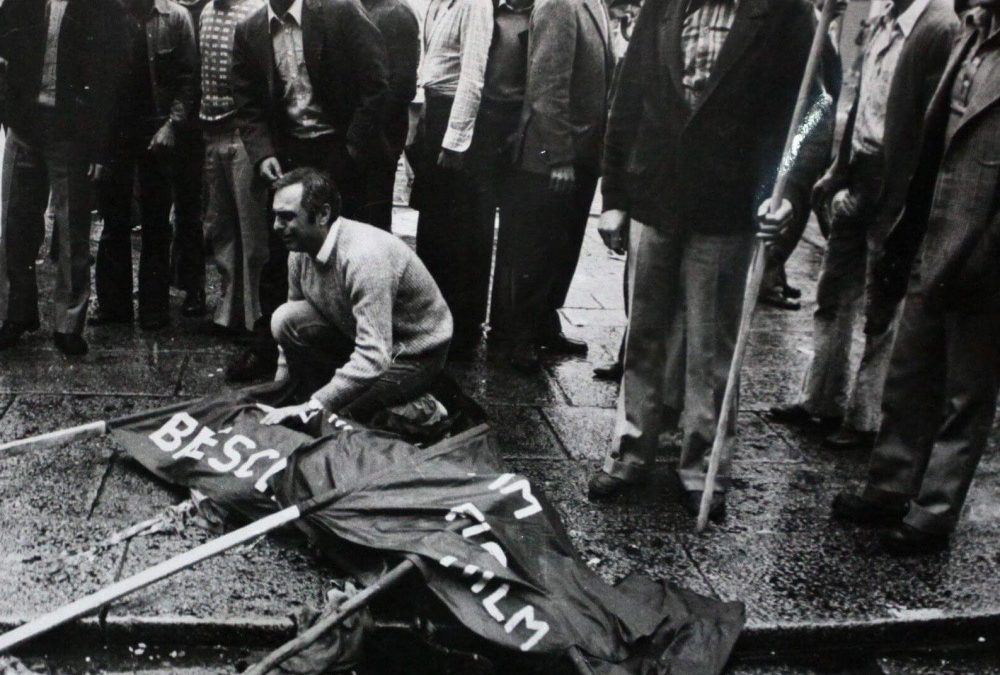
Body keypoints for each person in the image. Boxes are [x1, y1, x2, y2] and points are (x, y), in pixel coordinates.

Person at [586, 0, 821, 520]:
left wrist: (788, 188)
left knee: (711, 348)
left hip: (728, 208)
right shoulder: (663, 6)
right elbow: (627, 101)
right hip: (653, 196)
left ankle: (702, 469)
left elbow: (813, 111)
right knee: (643, 335)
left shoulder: (786, 14)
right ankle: (630, 452)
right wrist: (616, 198)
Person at [832, 0, 1000, 556]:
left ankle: (932, 514)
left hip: (984, 254)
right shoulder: (971, 33)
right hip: (931, 234)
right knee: (909, 371)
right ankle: (890, 485)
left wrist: (987, 251)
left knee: (966, 393)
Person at [770, 0, 957, 451]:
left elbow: (931, 128)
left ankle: (865, 416)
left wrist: (907, 201)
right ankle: (820, 398)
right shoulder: (883, 21)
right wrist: (837, 168)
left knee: (882, 301)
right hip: (859, 173)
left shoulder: (938, 28)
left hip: (897, 185)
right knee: (834, 290)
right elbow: (863, 103)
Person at [227, 0, 391, 381]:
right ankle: (269, 349)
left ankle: (358, 352)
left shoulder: (340, 12)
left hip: (341, 149)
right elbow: (246, 102)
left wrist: (350, 152)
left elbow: (377, 85)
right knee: (280, 254)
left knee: (348, 254)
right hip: (288, 154)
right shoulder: (250, 29)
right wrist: (262, 152)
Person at [259, 168, 453, 425]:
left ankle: (424, 408)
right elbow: (288, 326)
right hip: (363, 336)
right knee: (285, 317)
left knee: (336, 418)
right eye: (275, 216)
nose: (276, 227)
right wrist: (280, 393)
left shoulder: (365, 258)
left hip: (413, 354)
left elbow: (374, 355)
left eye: (287, 217)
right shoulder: (299, 250)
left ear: (323, 214)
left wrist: (314, 405)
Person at [0, 0, 127, 355]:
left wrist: (100, 148)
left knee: (72, 229)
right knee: (13, 222)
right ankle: (15, 312)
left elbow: (109, 81)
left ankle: (68, 323)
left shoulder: (101, 8)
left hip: (70, 132)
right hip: (24, 126)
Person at [494, 0, 613, 372]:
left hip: (581, 152)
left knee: (561, 248)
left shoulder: (592, 4)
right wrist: (558, 156)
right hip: (550, 159)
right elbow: (546, 87)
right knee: (536, 251)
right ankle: (519, 337)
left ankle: (544, 323)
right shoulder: (559, 4)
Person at [92, 0, 199, 331]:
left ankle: (154, 308)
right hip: (116, 134)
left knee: (156, 223)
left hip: (157, 131)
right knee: (114, 221)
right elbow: (92, 81)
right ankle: (113, 306)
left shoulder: (175, 18)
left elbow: (189, 78)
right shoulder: (105, 14)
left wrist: (172, 125)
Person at [411, 0, 494, 359]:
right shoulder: (437, 4)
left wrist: (455, 140)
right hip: (434, 108)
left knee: (459, 231)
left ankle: (461, 330)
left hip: (455, 120)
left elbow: (472, 76)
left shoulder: (475, 5)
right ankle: (432, 321)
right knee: (433, 226)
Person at [199, 0, 269, 336]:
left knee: (251, 227)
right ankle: (229, 310)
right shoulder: (207, 13)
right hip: (211, 130)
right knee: (222, 224)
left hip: (243, 131)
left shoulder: (255, 12)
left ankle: (255, 315)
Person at [361, 0, 420, 231]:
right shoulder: (359, 8)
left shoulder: (396, 13)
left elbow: (403, 84)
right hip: (362, 132)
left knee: (373, 218)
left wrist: (368, 128)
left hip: (379, 136)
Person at [171, 0, 213, 320]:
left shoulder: (207, 10)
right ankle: (162, 283)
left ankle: (193, 285)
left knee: (189, 209)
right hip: (160, 120)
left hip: (196, 127)